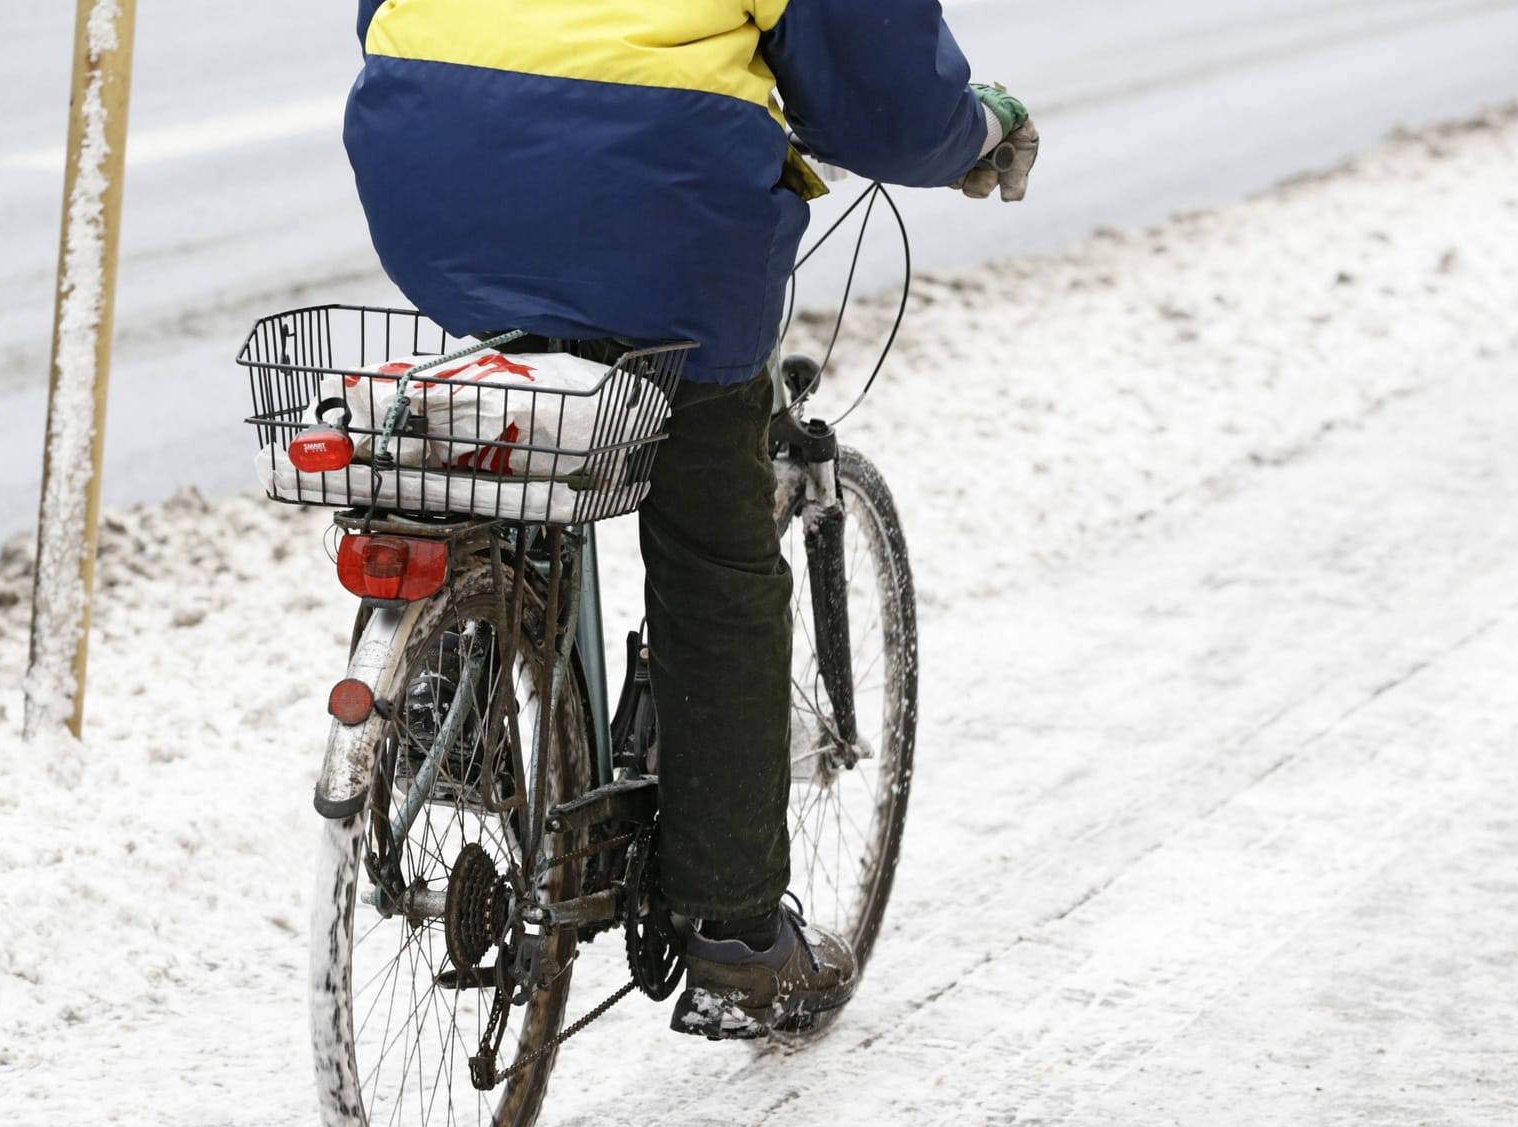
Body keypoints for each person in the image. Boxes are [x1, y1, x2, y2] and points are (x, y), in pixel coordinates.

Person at [346, 0, 1036, 1040]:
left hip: (426, 170)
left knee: (517, 428)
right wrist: (979, 130)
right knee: (716, 548)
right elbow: (887, 98)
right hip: (659, 216)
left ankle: (473, 668)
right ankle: (736, 936)